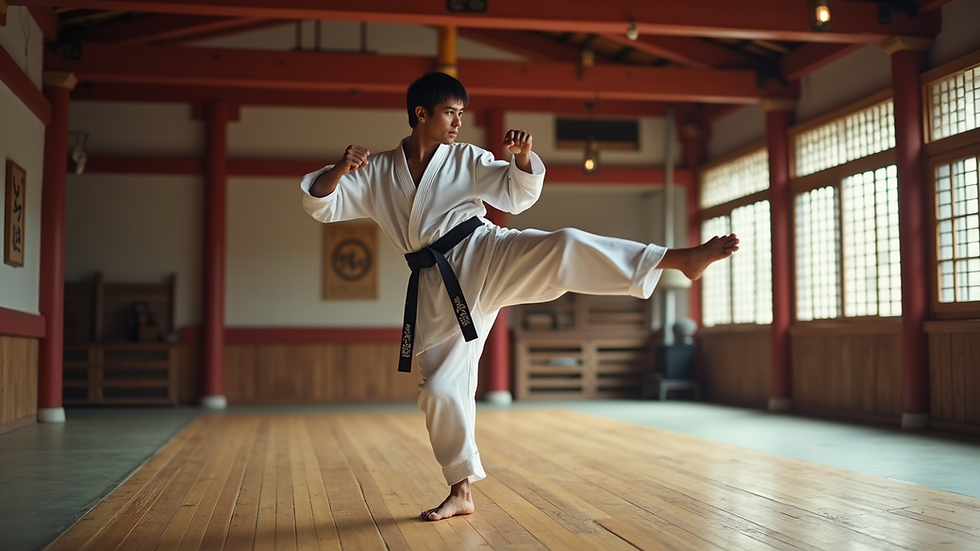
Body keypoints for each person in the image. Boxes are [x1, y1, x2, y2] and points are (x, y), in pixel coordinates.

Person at [301, 72, 739, 521]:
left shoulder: (466, 158)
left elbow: (515, 194)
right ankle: (461, 489)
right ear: (421, 113)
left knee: (564, 245)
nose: (457, 122)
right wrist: (340, 168)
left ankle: (677, 259)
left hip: (485, 251)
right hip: (436, 284)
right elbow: (322, 204)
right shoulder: (376, 171)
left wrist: (523, 159)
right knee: (439, 390)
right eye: (450, 112)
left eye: (460, 114)